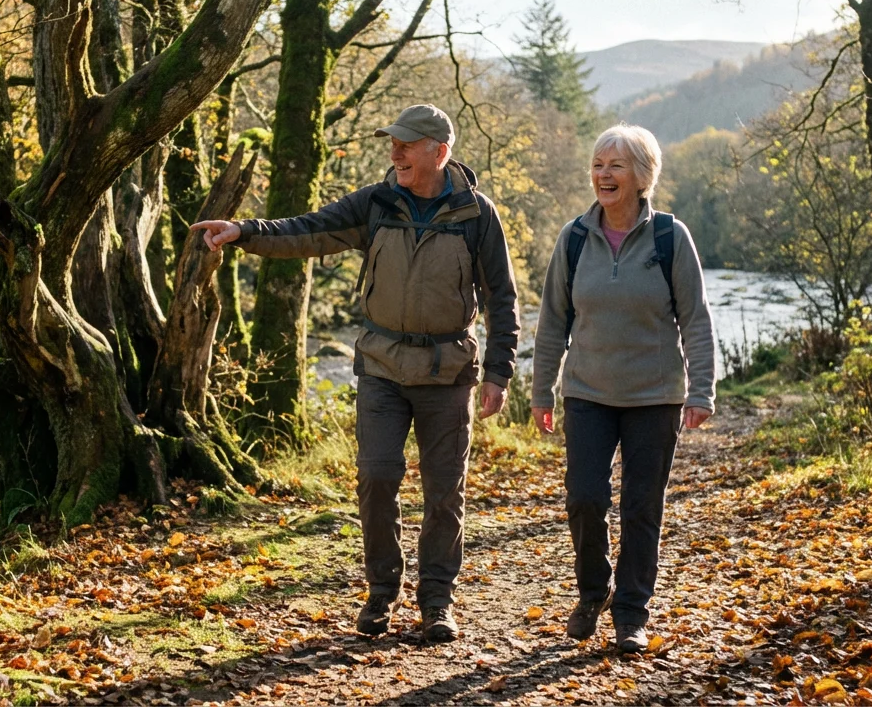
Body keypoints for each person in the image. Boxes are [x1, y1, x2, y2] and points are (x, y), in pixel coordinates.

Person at [193, 104, 519, 643]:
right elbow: (310, 230)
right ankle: (381, 593)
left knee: (444, 494)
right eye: (392, 143)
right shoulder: (377, 201)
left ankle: (437, 602)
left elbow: (503, 299)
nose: (394, 153)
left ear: (440, 152)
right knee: (376, 477)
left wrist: (499, 373)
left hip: (448, 374)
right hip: (382, 369)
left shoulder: (476, 215)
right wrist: (244, 232)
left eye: (406, 145)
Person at [529, 123, 716, 653]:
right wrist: (542, 391)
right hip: (586, 393)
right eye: (597, 164)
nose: (603, 174)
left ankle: (632, 612)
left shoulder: (670, 239)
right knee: (585, 499)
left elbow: (696, 320)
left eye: (616, 165)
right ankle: (593, 592)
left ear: (642, 175)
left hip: (654, 398)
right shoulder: (573, 239)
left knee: (641, 506)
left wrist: (701, 390)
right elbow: (552, 323)